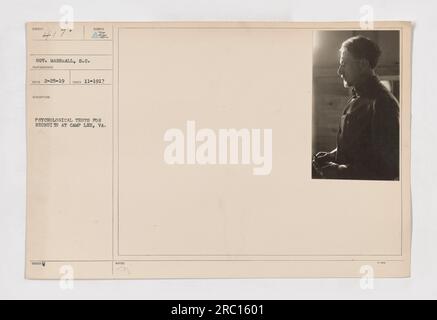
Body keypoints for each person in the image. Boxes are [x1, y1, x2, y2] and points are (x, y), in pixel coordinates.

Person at [313, 35, 400, 180]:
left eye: (344, 64)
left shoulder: (383, 103)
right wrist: (333, 155)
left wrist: (339, 170)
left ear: (363, 65)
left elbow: (389, 169)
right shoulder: (357, 97)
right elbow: (358, 146)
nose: (339, 71)